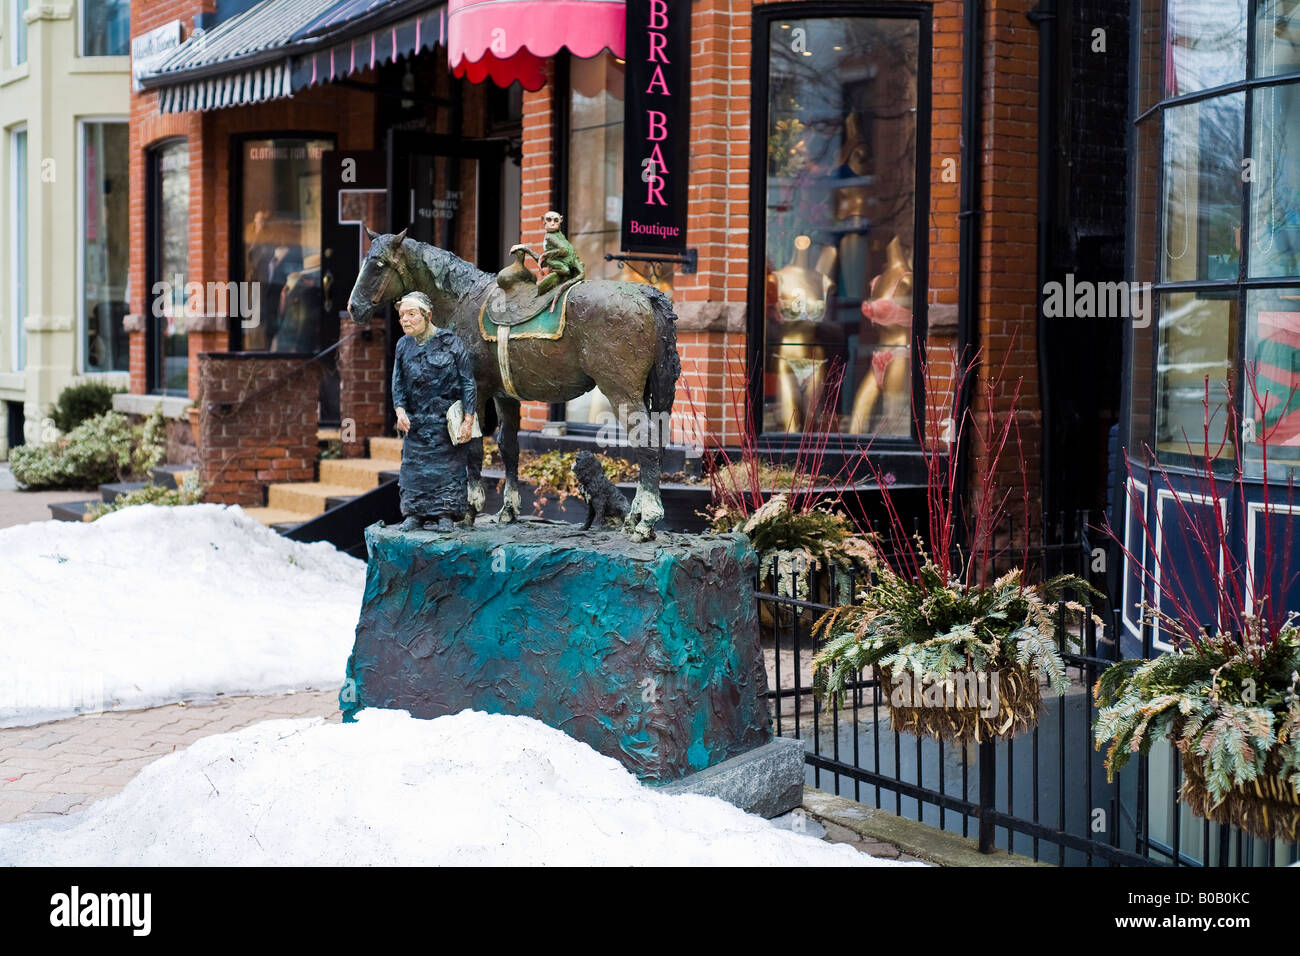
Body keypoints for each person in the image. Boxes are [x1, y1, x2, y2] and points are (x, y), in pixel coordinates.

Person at [391, 291, 478, 531]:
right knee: (413, 469)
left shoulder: (451, 342)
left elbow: (468, 382)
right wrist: (400, 411)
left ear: (427, 316)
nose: (405, 320)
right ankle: (414, 514)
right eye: (401, 316)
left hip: (445, 423)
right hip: (416, 423)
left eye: (411, 314)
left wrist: (467, 421)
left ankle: (445, 514)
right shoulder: (402, 345)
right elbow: (397, 382)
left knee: (447, 469)